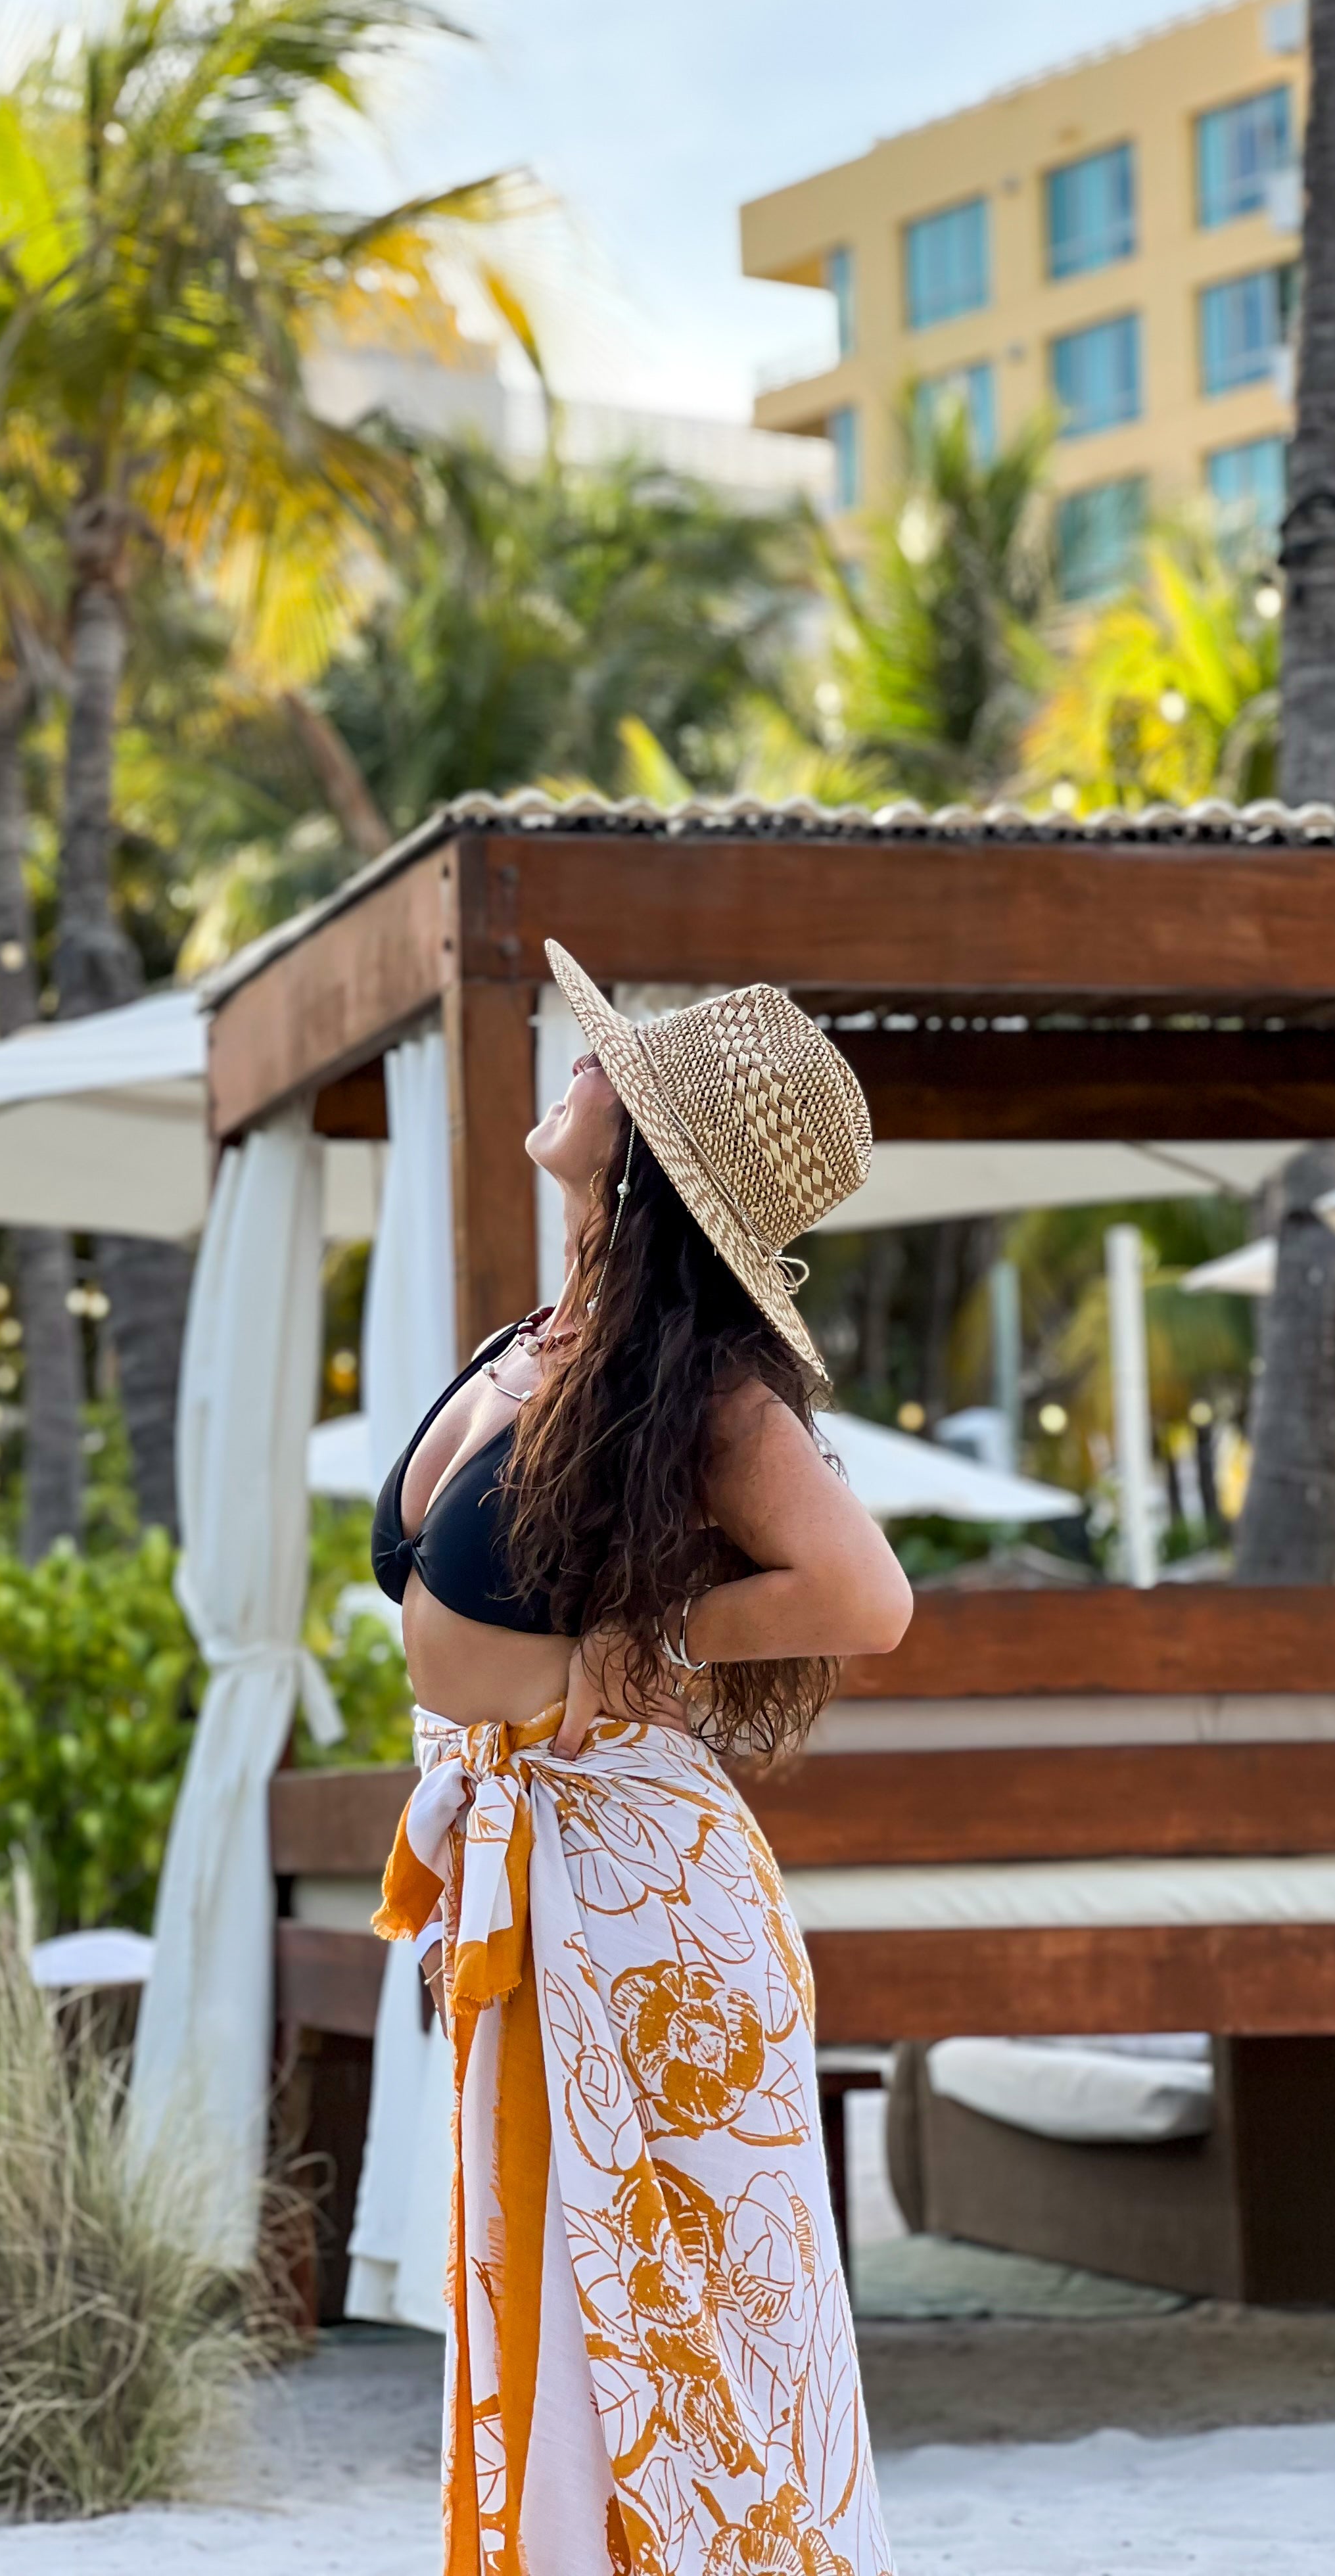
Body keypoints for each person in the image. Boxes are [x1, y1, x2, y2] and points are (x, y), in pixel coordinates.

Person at [371, 939, 911, 2576]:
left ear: (656, 1157)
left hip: (641, 1900)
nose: (583, 1062)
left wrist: (650, 1640)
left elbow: (867, 1599)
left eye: (619, 1065)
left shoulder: (710, 1394)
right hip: (534, 1859)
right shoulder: (542, 1340)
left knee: (683, 2329)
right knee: (557, 2299)